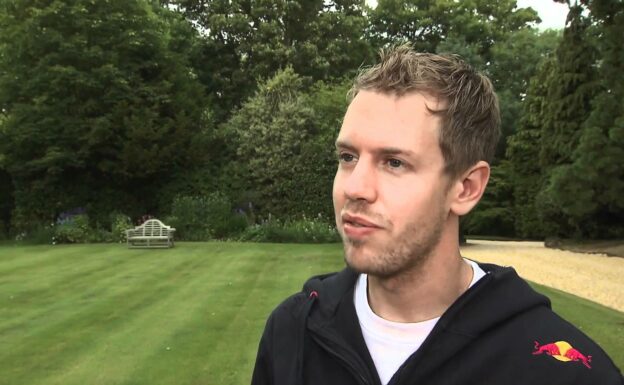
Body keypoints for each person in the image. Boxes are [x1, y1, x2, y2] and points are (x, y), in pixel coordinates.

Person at [250, 45, 624, 385]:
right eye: (348, 157)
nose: (355, 188)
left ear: (466, 188)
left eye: (394, 162)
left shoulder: (562, 372)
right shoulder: (293, 332)